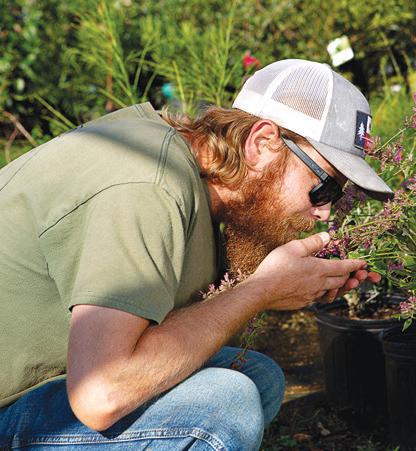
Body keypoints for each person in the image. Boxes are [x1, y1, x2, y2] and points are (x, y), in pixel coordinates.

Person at [0, 59, 394, 450]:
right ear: (262, 144)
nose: (325, 212)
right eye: (324, 187)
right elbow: (100, 393)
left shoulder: (199, 183)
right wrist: (261, 289)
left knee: (258, 376)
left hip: (45, 388)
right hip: (30, 401)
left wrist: (278, 285)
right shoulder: (149, 185)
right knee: (225, 405)